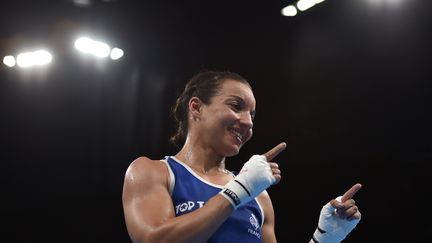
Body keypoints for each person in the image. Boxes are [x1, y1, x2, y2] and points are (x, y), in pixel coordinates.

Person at [122, 70, 362, 243]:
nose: (247, 122)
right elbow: (153, 240)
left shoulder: (259, 197)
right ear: (196, 107)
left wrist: (324, 238)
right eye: (236, 106)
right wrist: (239, 191)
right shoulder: (153, 172)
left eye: (252, 114)